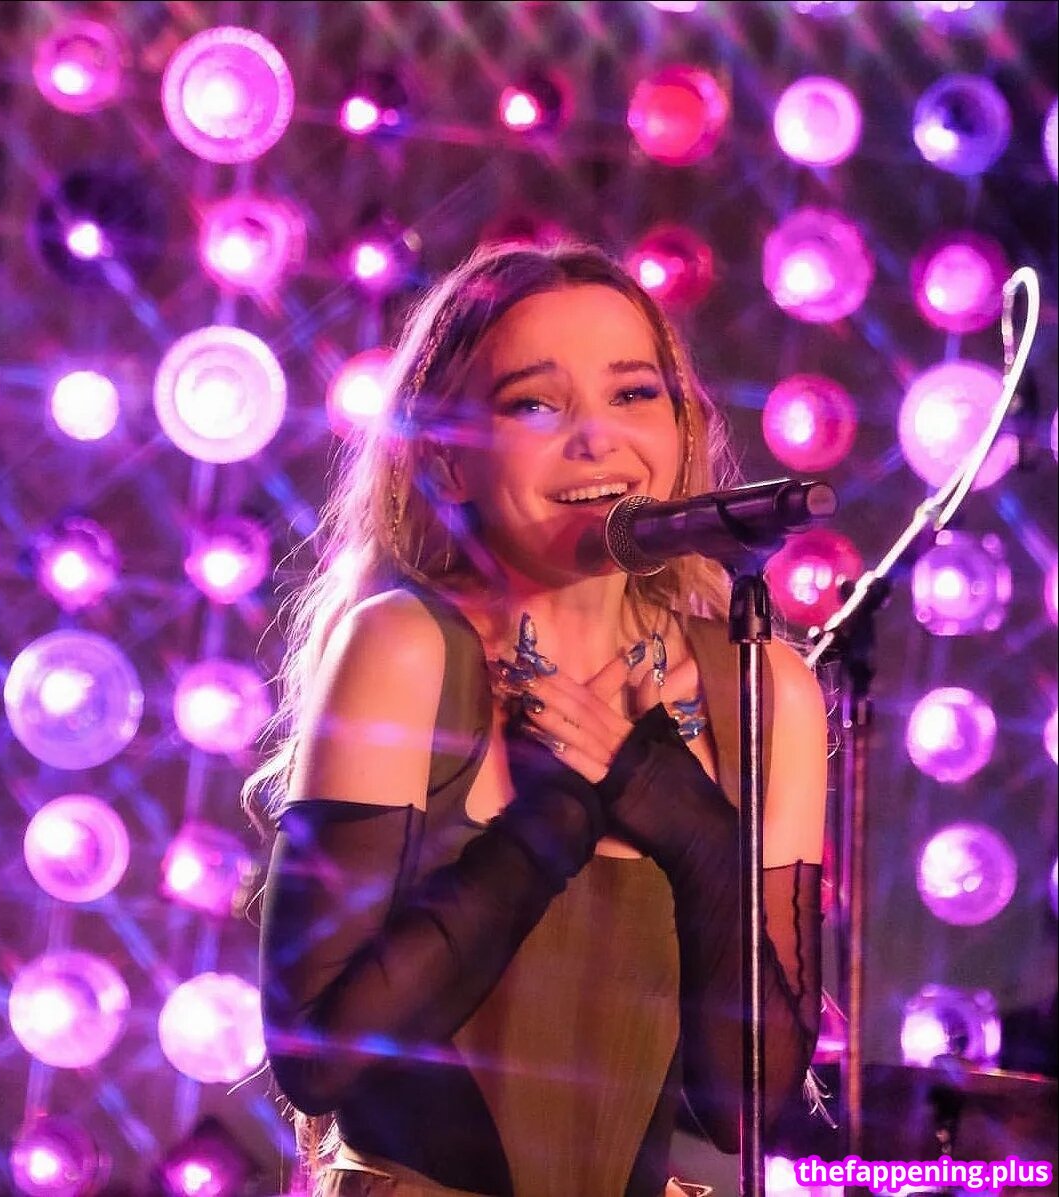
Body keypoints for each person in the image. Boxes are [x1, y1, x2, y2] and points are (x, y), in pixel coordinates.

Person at [246, 241, 829, 1197]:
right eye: (534, 404)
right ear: (447, 461)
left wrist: (696, 834)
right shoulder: (403, 649)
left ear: (681, 428)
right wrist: (549, 825)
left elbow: (742, 1107)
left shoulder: (764, 690)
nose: (596, 438)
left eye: (633, 393)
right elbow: (318, 1055)